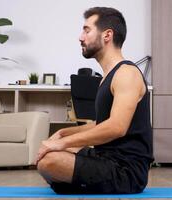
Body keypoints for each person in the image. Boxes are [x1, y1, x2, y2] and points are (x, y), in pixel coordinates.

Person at [36, 7, 154, 194]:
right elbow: (101, 124)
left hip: (126, 170)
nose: (81, 37)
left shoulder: (127, 73)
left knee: (50, 162)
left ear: (107, 35)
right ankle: (80, 182)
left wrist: (62, 144)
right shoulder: (106, 77)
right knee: (47, 156)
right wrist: (63, 133)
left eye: (86, 30)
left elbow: (116, 127)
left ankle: (75, 183)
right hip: (105, 157)